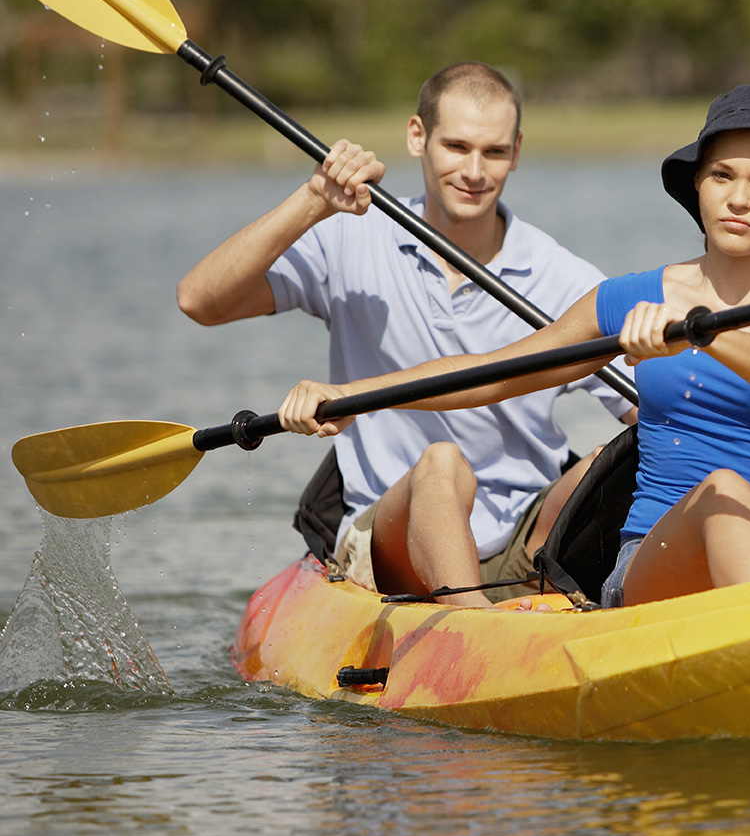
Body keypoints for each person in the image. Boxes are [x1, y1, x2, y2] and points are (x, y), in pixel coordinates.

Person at [276, 82, 750, 608]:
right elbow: (497, 371)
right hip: (660, 558)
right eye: (722, 176)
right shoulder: (631, 299)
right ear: (697, 184)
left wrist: (701, 334)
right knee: (724, 492)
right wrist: (351, 396)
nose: (738, 199)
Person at [177, 62, 636, 606]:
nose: (474, 171)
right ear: (418, 137)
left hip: (525, 539)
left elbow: (650, 415)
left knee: (618, 453)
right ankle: (478, 634)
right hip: (392, 534)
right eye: (456, 147)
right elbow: (201, 301)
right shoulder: (351, 237)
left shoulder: (564, 278)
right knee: (442, 464)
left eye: (493, 152)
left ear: (516, 151)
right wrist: (313, 200)